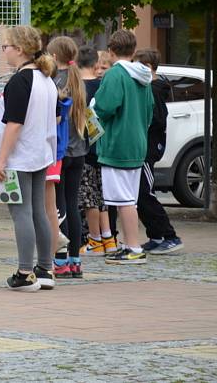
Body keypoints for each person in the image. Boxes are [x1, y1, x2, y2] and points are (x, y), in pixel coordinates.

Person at [0, 25, 57, 292]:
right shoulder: (46, 79)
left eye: (5, 46)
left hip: (19, 156)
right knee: (38, 211)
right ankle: (45, 268)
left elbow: (14, 124)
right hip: (39, 153)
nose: (3, 51)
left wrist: (0, 160)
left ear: (18, 50)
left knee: (21, 213)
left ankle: (25, 272)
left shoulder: (20, 81)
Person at [94, 30, 154, 265]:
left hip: (117, 143)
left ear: (111, 51)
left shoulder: (115, 75)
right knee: (130, 198)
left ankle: (134, 247)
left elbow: (105, 108)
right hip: (137, 141)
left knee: (123, 199)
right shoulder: (143, 76)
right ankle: (131, 245)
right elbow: (149, 110)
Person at [132, 48, 184, 255]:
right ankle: (156, 236)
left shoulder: (153, 90)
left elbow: (157, 120)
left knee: (145, 193)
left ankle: (170, 236)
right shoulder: (148, 89)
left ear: (147, 68)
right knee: (139, 194)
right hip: (144, 146)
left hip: (147, 148)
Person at [46, 36, 87, 278]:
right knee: (72, 205)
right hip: (79, 150)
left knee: (57, 206)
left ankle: (60, 259)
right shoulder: (77, 79)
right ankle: (75, 259)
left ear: (53, 56)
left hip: (60, 151)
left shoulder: (54, 82)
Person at [77, 45, 115, 256]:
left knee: (89, 197)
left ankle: (95, 240)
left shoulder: (77, 87)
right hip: (102, 148)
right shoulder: (103, 86)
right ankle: (108, 237)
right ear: (95, 64)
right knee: (103, 197)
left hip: (84, 148)